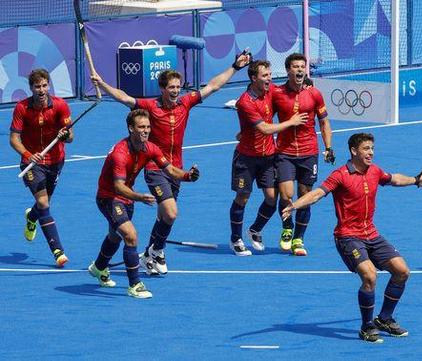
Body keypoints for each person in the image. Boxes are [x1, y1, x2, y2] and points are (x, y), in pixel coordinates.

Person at [90, 51, 250, 274]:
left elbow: (213, 86)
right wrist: (103, 84)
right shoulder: (150, 106)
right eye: (171, 87)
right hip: (155, 166)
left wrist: (235, 66)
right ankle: (157, 250)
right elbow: (124, 97)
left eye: (178, 87)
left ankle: (150, 253)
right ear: (162, 89)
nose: (176, 91)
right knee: (171, 212)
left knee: (165, 215)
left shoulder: (185, 103)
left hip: (175, 168)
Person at [282, 133, 422, 343]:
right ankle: (366, 326)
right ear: (354, 151)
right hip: (348, 237)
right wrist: (295, 205)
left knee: (402, 271)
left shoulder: (375, 171)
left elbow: (394, 179)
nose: (371, 152)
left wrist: (416, 180)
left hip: (371, 234)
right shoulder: (340, 175)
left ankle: (385, 319)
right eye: (366, 149)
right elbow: (317, 193)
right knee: (369, 276)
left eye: (372, 148)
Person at [88, 109, 199, 299]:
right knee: (130, 236)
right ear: (131, 128)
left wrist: (188, 176)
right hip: (109, 197)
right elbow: (118, 186)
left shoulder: (150, 148)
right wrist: (140, 197)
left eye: (148, 127)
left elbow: (171, 170)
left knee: (115, 236)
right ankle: (135, 285)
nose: (146, 131)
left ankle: (98, 267)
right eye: (141, 127)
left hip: (126, 198)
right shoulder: (120, 154)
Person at [229, 60, 308, 256]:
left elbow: (286, 89)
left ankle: (255, 229)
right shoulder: (245, 102)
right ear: (254, 78)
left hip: (268, 157)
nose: (269, 79)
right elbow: (264, 129)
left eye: (270, 75)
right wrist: (291, 122)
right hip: (246, 158)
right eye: (265, 76)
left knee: (272, 199)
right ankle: (236, 239)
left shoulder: (270, 90)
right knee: (243, 197)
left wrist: (306, 85)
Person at [270, 53, 333, 256]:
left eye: (302, 67)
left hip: (309, 152)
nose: (299, 70)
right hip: (285, 152)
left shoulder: (314, 94)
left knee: (305, 196)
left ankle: (299, 239)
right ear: (288, 70)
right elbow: (266, 120)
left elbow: (324, 122)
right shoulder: (277, 94)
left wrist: (328, 147)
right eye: (295, 66)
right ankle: (287, 227)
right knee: (287, 194)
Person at [9, 69, 73, 267]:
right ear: (31, 88)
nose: (42, 90)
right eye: (37, 86)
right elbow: (14, 139)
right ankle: (58, 251)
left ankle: (31, 216)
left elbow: (70, 137)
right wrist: (29, 155)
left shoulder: (61, 105)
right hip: (31, 163)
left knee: (42, 205)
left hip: (56, 161)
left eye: (45, 85)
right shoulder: (22, 108)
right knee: (44, 204)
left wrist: (65, 135)